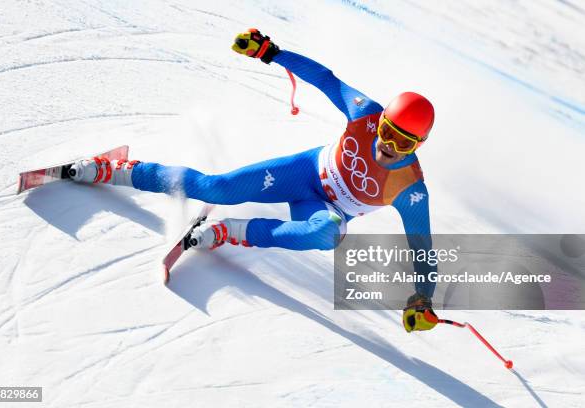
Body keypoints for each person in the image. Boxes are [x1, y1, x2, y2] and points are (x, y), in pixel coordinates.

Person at [69, 29, 439, 333]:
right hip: (305, 172)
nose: (389, 147)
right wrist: (270, 52)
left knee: (326, 233)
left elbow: (423, 250)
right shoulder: (365, 114)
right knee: (215, 188)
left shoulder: (411, 188)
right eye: (388, 132)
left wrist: (422, 299)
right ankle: (116, 169)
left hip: (325, 207)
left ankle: (231, 231)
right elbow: (326, 79)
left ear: (418, 145)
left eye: (403, 143)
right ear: (382, 121)